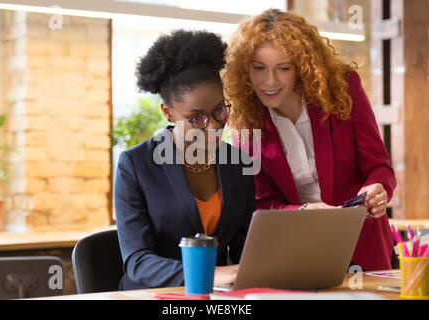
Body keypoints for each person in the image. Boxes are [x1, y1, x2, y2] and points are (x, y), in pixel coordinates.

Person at [221, 9, 396, 271]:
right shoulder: (246, 121)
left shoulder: (343, 91)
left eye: (283, 68)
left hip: (362, 243)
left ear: (301, 68)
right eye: (258, 68)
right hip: (295, 249)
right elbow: (260, 202)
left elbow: (379, 166)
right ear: (245, 71)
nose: (270, 81)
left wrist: (378, 188)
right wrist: (302, 213)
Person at [114, 30, 256, 290]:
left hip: (218, 295)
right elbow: (137, 261)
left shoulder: (238, 163)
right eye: (197, 118)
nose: (213, 126)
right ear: (168, 112)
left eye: (219, 111)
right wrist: (208, 274)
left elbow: (243, 246)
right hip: (153, 294)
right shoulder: (135, 166)